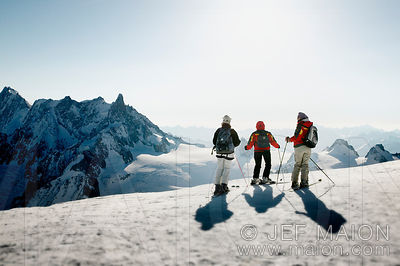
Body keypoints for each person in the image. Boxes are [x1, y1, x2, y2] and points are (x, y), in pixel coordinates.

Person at [212, 115, 241, 196]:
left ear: (223, 121)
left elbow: (214, 142)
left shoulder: (218, 130)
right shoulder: (232, 131)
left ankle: (217, 187)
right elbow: (237, 142)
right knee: (226, 169)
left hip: (219, 152)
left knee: (219, 168)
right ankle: (224, 187)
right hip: (229, 153)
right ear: (229, 122)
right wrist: (232, 145)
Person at [285, 112, 313, 189]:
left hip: (299, 147)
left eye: (298, 118)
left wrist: (289, 139)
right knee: (305, 165)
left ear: (300, 118)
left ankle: (294, 183)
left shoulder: (301, 125)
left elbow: (297, 137)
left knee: (297, 164)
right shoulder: (310, 125)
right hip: (308, 147)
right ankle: (304, 182)